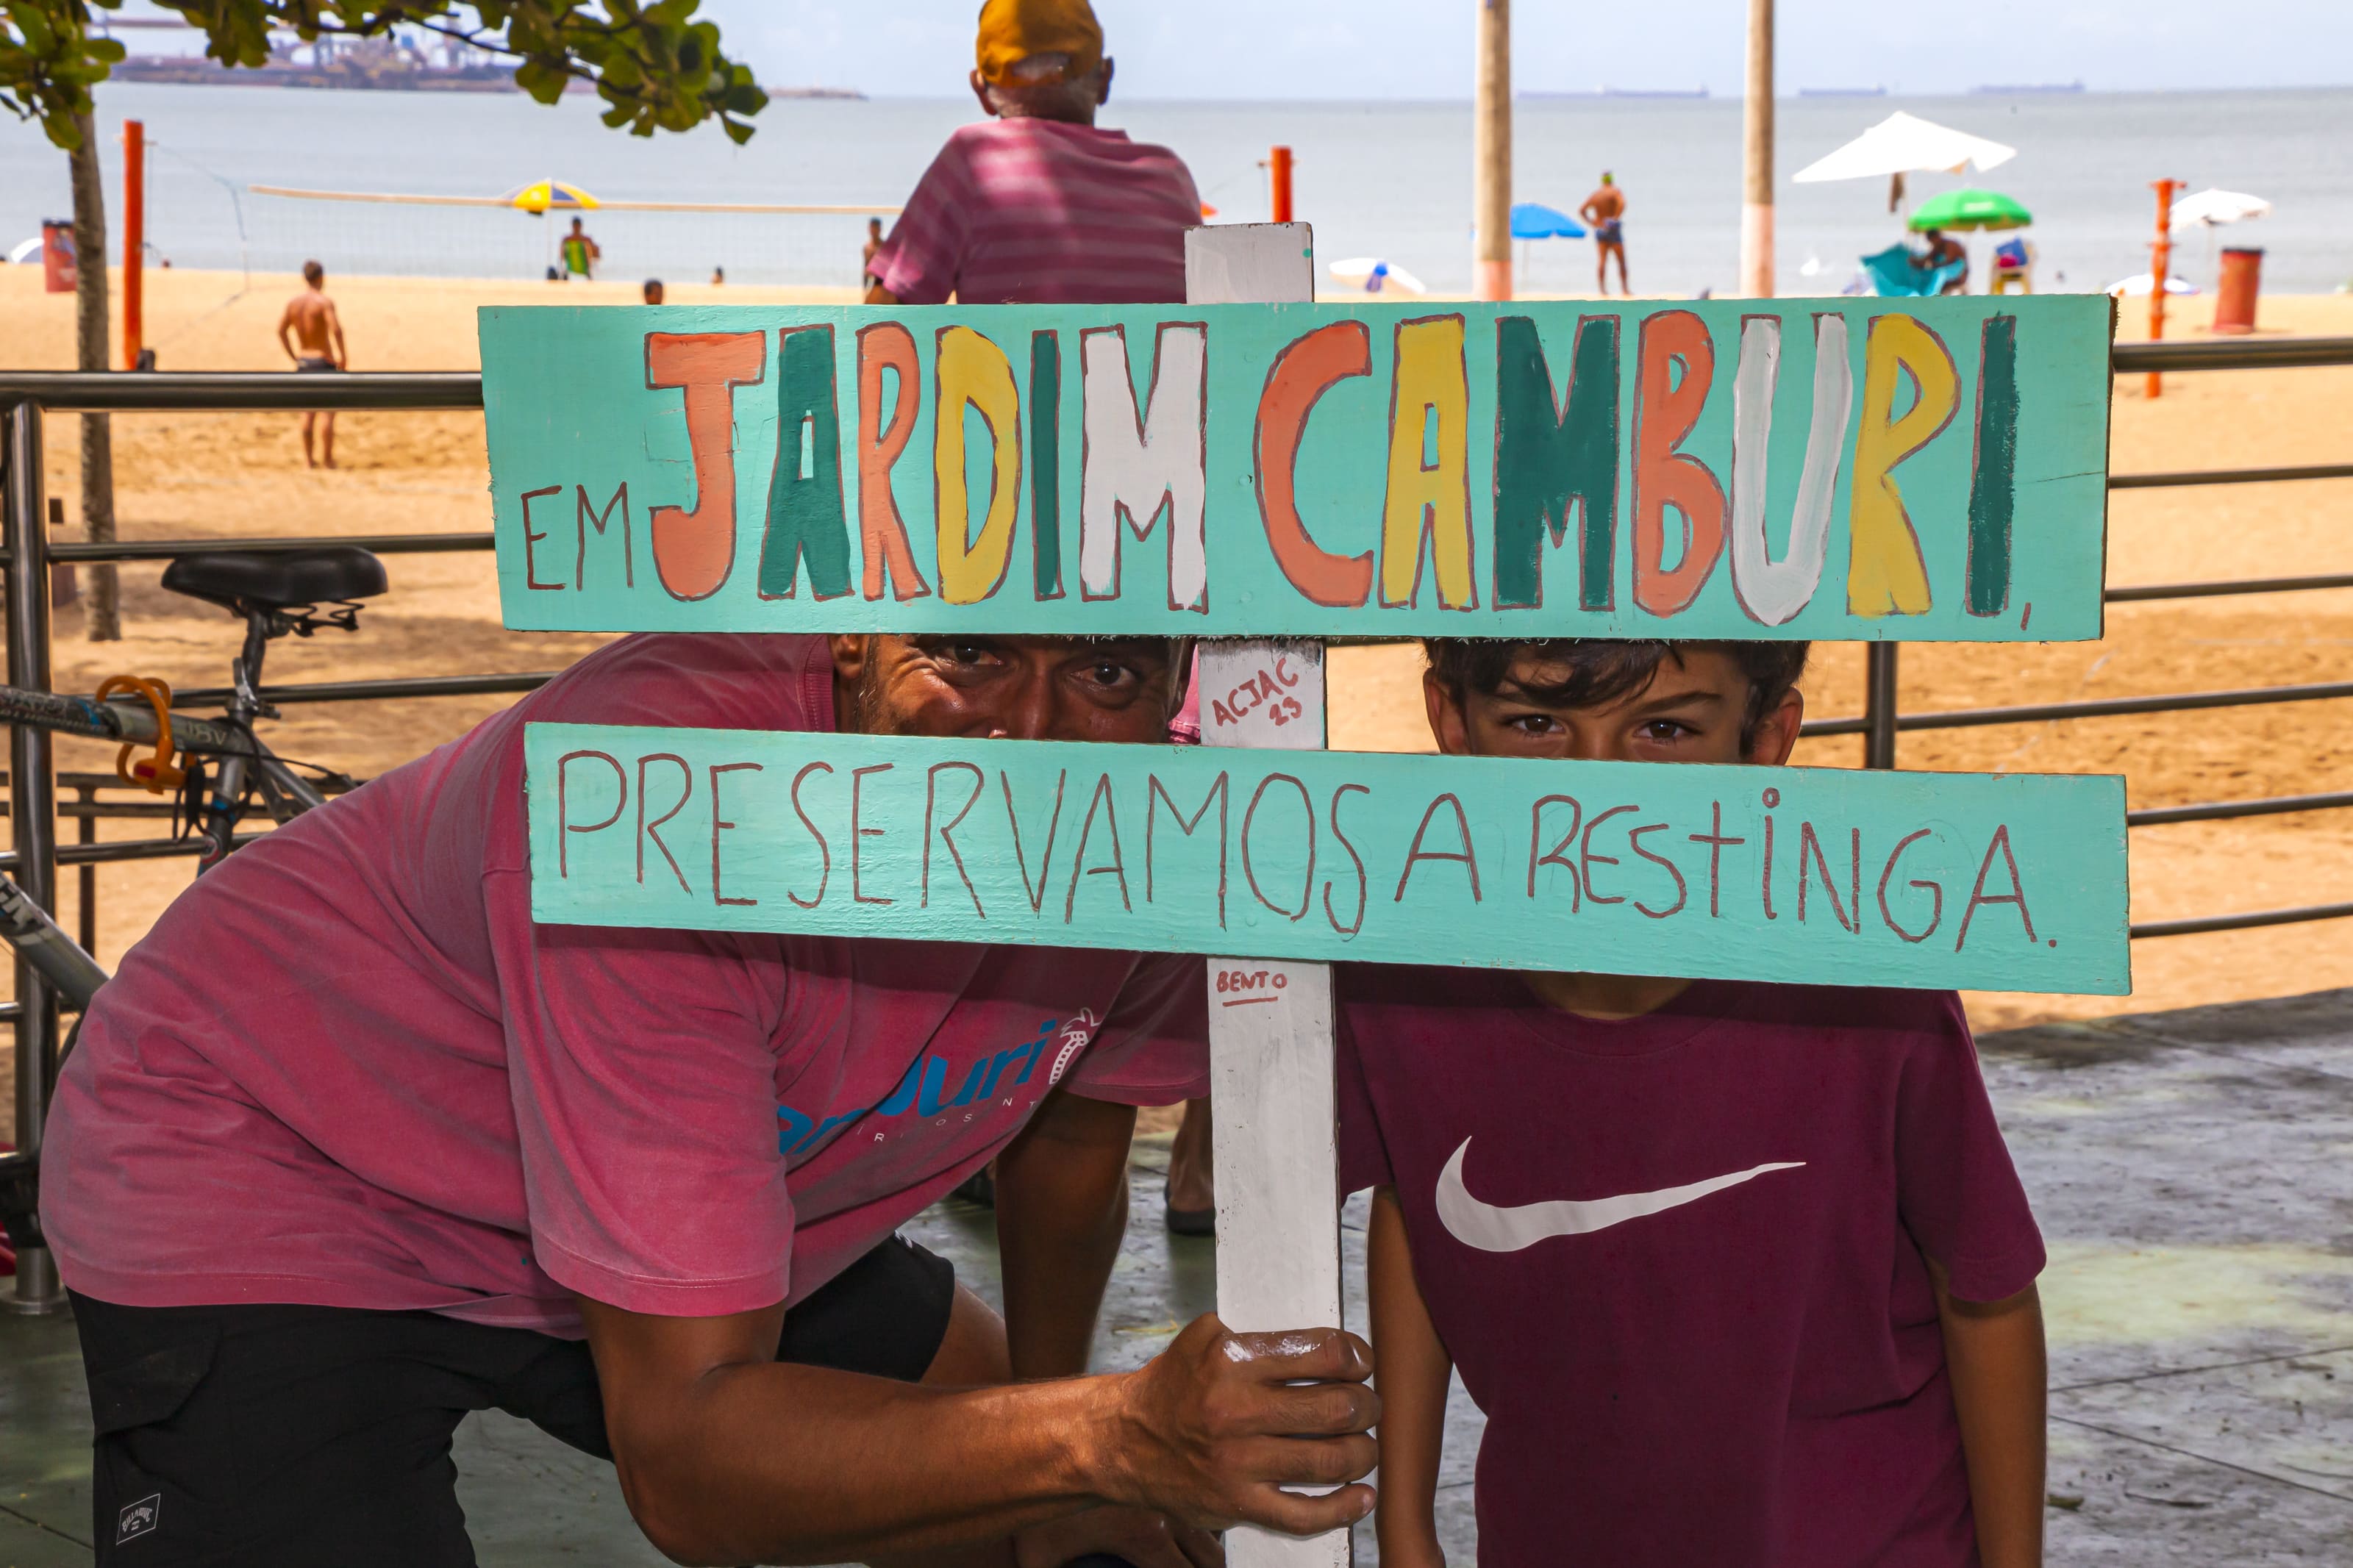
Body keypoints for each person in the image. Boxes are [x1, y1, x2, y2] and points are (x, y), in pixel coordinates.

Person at [38, 631, 1380, 1567]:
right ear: (850, 639)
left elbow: (1077, 1135)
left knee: (1038, 1499)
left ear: (1176, 685)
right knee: (1052, 1460)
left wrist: (1056, 1450)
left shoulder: (1158, 822)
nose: (1026, 737)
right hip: (277, 1163)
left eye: (1104, 669)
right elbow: (686, 1473)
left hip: (682, 1191)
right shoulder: (657, 805)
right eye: (967, 654)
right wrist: (1106, 1432)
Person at [1345, 637, 2049, 1568]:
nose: (1593, 788)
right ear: (1450, 719)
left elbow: (1985, 1292)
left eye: (1665, 728)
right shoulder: (1402, 979)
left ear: (1766, 739)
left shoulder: (1871, 988)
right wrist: (1404, 1527)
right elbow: (1418, 1201)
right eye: (1536, 723)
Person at [863, 0, 1202, 306]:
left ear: (981, 91)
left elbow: (879, 330)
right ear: (1105, 80)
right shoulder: (1172, 178)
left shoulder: (973, 162)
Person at [274, 259, 346, 470]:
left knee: (307, 414)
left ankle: (308, 460)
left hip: (304, 362)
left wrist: (294, 356)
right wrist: (343, 357)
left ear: (305, 278)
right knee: (327, 413)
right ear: (321, 278)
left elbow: (281, 331)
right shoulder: (324, 302)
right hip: (323, 360)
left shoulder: (293, 304)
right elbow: (337, 330)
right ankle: (328, 459)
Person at [1579, 173, 1629, 296]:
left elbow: (1582, 210)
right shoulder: (1615, 192)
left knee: (1602, 260)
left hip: (1600, 228)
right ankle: (1624, 289)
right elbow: (1622, 204)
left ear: (1602, 181)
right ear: (1611, 180)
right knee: (1621, 260)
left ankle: (1602, 290)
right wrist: (1615, 218)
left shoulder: (1597, 195)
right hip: (1612, 228)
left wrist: (1593, 223)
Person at [1918, 226, 1970, 294]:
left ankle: (1933, 295)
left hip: (1959, 274)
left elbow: (1949, 262)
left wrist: (1934, 265)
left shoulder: (1950, 245)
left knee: (1940, 274)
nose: (1933, 244)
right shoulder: (1937, 247)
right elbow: (1927, 259)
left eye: (1933, 241)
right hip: (1949, 278)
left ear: (1937, 237)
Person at [560, 215, 600, 281]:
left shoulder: (566, 240)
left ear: (572, 226)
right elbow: (596, 256)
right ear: (581, 226)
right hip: (585, 268)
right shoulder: (586, 240)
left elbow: (562, 256)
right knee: (591, 248)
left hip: (570, 268)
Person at [862, 215, 886, 288]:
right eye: (871, 228)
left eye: (875, 228)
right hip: (872, 285)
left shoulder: (885, 247)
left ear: (880, 229)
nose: (873, 231)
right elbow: (865, 270)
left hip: (883, 285)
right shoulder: (867, 248)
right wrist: (865, 289)